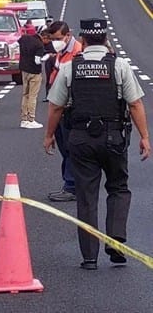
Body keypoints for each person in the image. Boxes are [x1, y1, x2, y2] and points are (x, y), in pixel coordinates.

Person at [43, 18, 150, 270]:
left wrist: (48, 136)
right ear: (105, 39)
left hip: (80, 139)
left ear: (83, 39)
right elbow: (135, 104)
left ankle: (89, 257)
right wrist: (144, 136)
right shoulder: (119, 65)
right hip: (114, 138)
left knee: (87, 196)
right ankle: (116, 243)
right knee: (118, 188)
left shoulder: (71, 67)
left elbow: (56, 106)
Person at [45, 20, 84, 202]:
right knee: (65, 149)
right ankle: (70, 184)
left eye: (58, 38)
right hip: (59, 107)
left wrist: (48, 133)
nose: (55, 41)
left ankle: (71, 186)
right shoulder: (61, 53)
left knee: (70, 149)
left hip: (69, 109)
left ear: (68, 35)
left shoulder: (77, 53)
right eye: (52, 39)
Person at [17, 25, 49, 128]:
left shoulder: (25, 38)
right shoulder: (39, 45)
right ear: (44, 37)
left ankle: (24, 119)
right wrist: (47, 57)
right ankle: (31, 119)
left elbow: (14, 45)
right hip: (34, 72)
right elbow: (37, 61)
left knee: (25, 95)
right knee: (32, 96)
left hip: (24, 70)